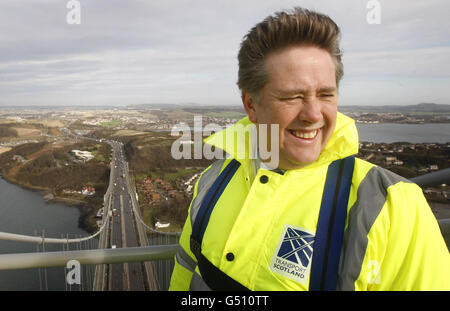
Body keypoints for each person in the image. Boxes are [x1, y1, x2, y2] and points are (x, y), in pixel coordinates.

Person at [169, 7, 450, 291]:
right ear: (251, 105)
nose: (314, 114)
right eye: (293, 96)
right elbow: (185, 274)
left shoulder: (393, 207)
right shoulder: (213, 181)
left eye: (326, 94)